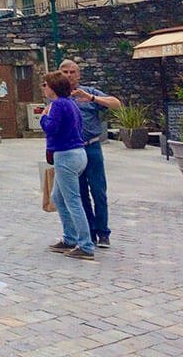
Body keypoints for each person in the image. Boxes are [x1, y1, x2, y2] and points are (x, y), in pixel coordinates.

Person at [59, 59, 122, 248]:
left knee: (98, 191)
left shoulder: (89, 92)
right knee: (79, 194)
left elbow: (116, 103)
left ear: (78, 75)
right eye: (65, 72)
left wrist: (92, 99)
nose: (69, 75)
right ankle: (89, 232)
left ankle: (103, 232)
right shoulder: (57, 97)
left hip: (91, 147)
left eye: (72, 72)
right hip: (71, 150)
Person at [39, 71, 95, 260]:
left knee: (72, 200)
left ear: (52, 87)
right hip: (78, 153)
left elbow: (50, 128)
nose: (43, 88)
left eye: (45, 85)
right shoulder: (71, 104)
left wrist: (43, 117)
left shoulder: (56, 105)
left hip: (65, 155)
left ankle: (86, 245)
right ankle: (70, 238)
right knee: (58, 196)